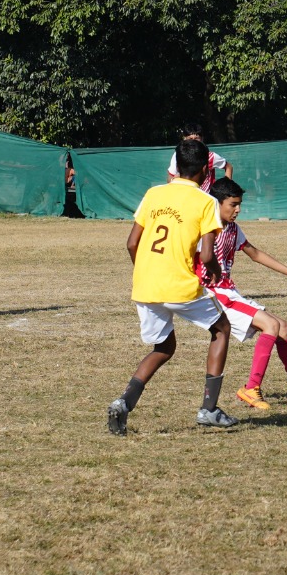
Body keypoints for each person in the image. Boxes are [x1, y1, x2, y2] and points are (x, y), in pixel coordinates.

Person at [108, 138, 236, 435]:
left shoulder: (154, 193)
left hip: (145, 285)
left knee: (164, 346)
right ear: (206, 169)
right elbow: (206, 255)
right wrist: (215, 270)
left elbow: (131, 243)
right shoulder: (206, 202)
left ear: (176, 166)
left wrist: (147, 273)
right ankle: (209, 409)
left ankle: (123, 403)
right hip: (179, 285)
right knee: (221, 329)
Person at [197, 178, 287, 409]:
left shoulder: (233, 229)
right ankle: (250, 389)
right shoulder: (204, 229)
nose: (238, 210)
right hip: (215, 295)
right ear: (217, 203)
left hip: (230, 291)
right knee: (271, 326)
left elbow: (255, 254)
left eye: (239, 204)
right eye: (233, 204)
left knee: (283, 327)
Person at [166, 123, 233, 192]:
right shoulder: (178, 155)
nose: (193, 142)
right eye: (190, 139)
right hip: (185, 196)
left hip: (206, 197)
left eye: (196, 139)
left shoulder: (210, 156)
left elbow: (228, 167)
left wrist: (227, 188)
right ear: (184, 139)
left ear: (202, 139)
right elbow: (170, 178)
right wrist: (174, 179)